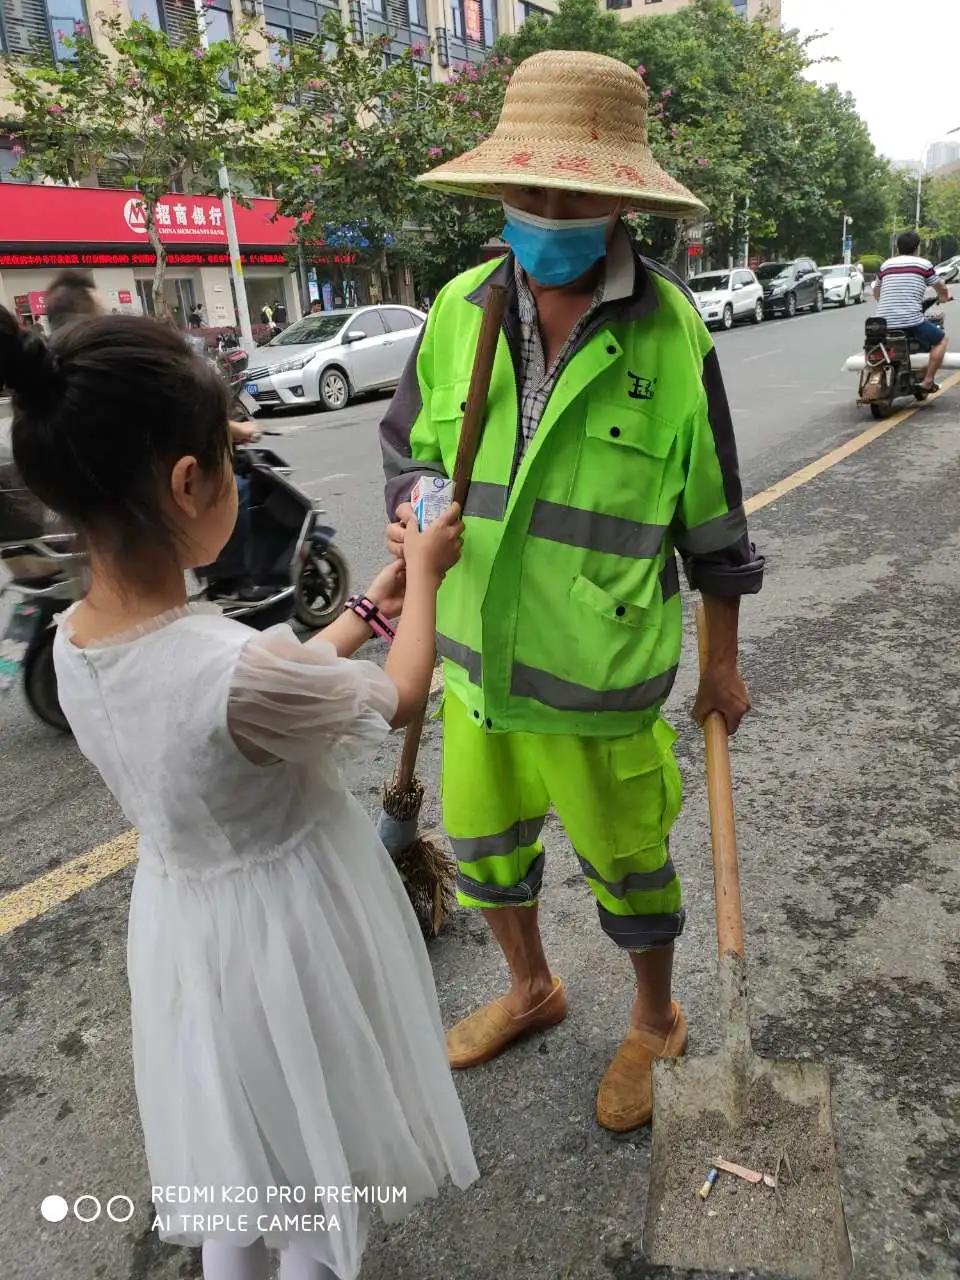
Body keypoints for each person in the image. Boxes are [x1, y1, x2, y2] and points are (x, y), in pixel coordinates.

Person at [1, 308, 475, 1280]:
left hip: (191, 929)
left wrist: (360, 610)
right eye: (227, 456)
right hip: (288, 938)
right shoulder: (227, 664)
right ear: (189, 482)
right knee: (311, 1179)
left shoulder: (77, 644)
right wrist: (422, 577)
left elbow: (261, 693)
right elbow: (398, 694)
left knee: (240, 1163)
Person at [381, 50, 764, 1133]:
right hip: (473, 671)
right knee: (493, 858)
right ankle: (530, 986)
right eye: (531, 191)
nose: (548, 214)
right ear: (500, 187)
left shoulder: (672, 331)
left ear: (618, 201)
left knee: (632, 867)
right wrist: (412, 515)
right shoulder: (458, 307)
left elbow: (716, 522)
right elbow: (403, 450)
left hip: (600, 682)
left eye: (575, 194)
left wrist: (723, 662)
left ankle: (654, 1018)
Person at [873, 230, 952, 392]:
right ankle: (928, 381)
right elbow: (941, 287)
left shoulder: (886, 265)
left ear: (897, 248)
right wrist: (944, 297)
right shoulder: (923, 264)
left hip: (882, 321)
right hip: (911, 321)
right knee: (941, 340)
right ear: (917, 248)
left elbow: (876, 291)